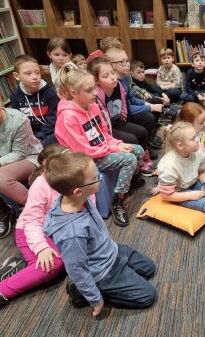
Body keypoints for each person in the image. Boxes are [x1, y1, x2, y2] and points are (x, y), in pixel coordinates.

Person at [43, 151, 156, 316]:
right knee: (148, 296)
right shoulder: (72, 234)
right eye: (95, 177)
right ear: (77, 192)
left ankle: (116, 279)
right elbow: (77, 270)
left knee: (149, 269)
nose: (100, 178)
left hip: (111, 250)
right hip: (103, 273)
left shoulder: (76, 198)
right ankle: (84, 293)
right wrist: (95, 299)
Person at [0, 145, 88, 320]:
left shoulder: (82, 178)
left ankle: (18, 269)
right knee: (52, 266)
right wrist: (41, 248)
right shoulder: (42, 186)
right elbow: (31, 222)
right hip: (31, 230)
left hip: (56, 230)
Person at [54, 64, 143, 227]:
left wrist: (116, 143)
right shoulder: (68, 117)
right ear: (74, 93)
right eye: (89, 90)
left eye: (94, 87)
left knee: (138, 150)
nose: (95, 93)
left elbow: (104, 133)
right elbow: (82, 151)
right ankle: (118, 201)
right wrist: (113, 148)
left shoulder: (93, 106)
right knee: (129, 159)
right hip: (83, 160)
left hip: (100, 151)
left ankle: (126, 180)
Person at [0, 79, 43, 238]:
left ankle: (37, 209)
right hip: (1, 163)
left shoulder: (17, 119)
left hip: (30, 158)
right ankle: (1, 212)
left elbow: (19, 154)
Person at [88, 57, 155, 176]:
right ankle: (137, 168)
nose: (112, 77)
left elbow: (123, 104)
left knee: (142, 132)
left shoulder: (118, 85)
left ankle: (144, 158)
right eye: (106, 76)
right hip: (107, 129)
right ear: (97, 81)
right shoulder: (96, 95)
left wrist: (124, 119)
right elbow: (102, 121)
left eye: (112, 73)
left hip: (118, 121)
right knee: (132, 139)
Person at [105, 48, 163, 151]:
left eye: (127, 60)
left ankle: (150, 136)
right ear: (112, 65)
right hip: (123, 115)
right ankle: (147, 142)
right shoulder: (113, 83)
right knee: (148, 116)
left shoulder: (127, 78)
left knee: (156, 101)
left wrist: (146, 103)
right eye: (122, 62)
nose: (127, 64)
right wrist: (149, 107)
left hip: (127, 110)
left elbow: (131, 98)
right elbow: (126, 108)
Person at [10, 55, 59, 146]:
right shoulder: (15, 96)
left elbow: (54, 118)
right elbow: (18, 121)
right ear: (17, 76)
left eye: (37, 72)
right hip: (30, 135)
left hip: (51, 132)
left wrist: (40, 135)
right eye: (28, 73)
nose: (35, 77)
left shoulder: (49, 93)